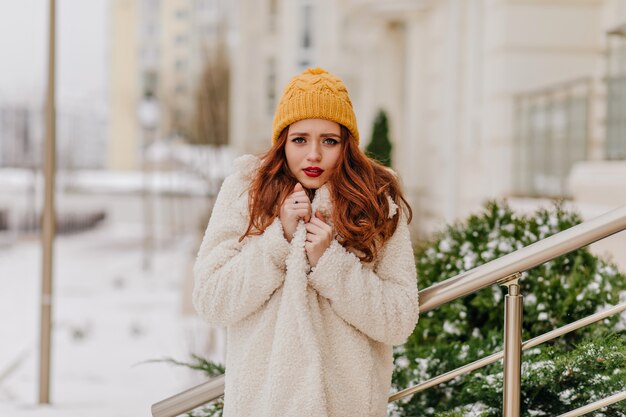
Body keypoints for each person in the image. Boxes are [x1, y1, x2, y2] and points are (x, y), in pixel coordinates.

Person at [193, 67, 419, 417]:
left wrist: (330, 263)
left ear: (347, 145)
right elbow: (211, 299)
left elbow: (399, 319)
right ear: (283, 141)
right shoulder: (244, 192)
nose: (313, 154)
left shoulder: (377, 200)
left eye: (329, 140)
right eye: (300, 139)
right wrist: (277, 241)